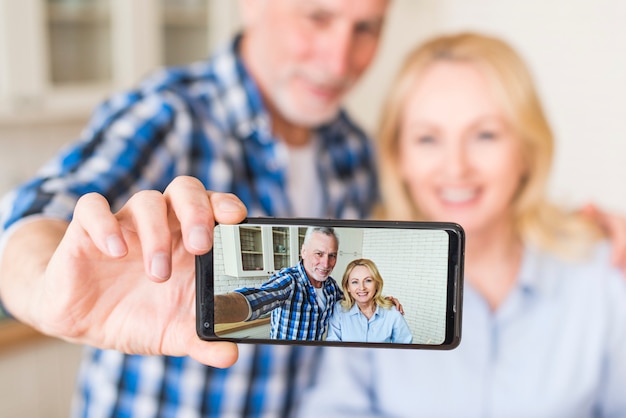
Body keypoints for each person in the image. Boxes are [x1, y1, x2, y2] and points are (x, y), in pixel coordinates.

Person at [0, 1, 624, 415]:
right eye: (318, 16)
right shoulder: (171, 115)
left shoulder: (351, 153)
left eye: (365, 28)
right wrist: (48, 288)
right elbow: (34, 217)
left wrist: (586, 234)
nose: (338, 58)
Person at [298, 32, 626, 417]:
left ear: (526, 151)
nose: (456, 167)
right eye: (428, 138)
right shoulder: (365, 283)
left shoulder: (601, 272)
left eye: (484, 135)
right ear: (398, 155)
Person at [215, 226, 344, 340]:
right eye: (319, 254)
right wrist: (209, 309)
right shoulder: (289, 281)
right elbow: (256, 299)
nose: (326, 263)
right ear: (304, 252)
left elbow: (348, 305)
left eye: (332, 255)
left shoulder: (331, 286)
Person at [326, 258, 412, 343]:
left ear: (377, 284)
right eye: (355, 282)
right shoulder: (339, 310)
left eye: (368, 280)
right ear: (348, 287)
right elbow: (332, 346)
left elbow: (405, 348)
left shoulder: (392, 312)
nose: (362, 288)